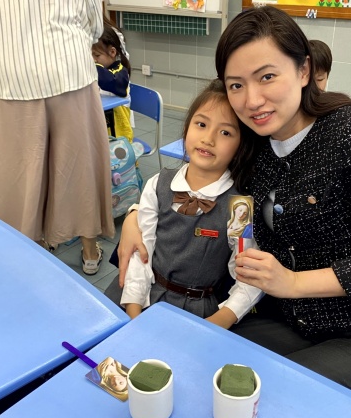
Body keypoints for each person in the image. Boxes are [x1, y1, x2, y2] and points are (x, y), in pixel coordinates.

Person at [118, 6, 351, 412]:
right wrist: (135, 216)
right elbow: (196, 180)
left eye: (267, 77)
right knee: (198, 370)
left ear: (304, 70)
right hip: (296, 322)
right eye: (236, 85)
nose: (252, 99)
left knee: (265, 401)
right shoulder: (257, 142)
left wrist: (292, 282)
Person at [0, 0, 114, 275]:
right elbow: (93, 19)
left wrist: (14, 44)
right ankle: (90, 252)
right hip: (68, 68)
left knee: (19, 174)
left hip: (12, 73)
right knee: (80, 168)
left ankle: (30, 254)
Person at [104, 80, 263, 325]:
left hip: (197, 312)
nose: (208, 139)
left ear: (241, 145)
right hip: (140, 297)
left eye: (225, 132)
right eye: (201, 124)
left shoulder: (239, 207)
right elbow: (140, 254)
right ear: (187, 127)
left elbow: (248, 277)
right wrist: (133, 314)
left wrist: (219, 322)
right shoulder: (157, 184)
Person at [93, 24, 134, 142]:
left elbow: (111, 82)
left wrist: (93, 67)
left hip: (119, 134)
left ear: (112, 52)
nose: (93, 59)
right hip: (102, 129)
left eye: (97, 55)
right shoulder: (99, 71)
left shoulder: (120, 72)